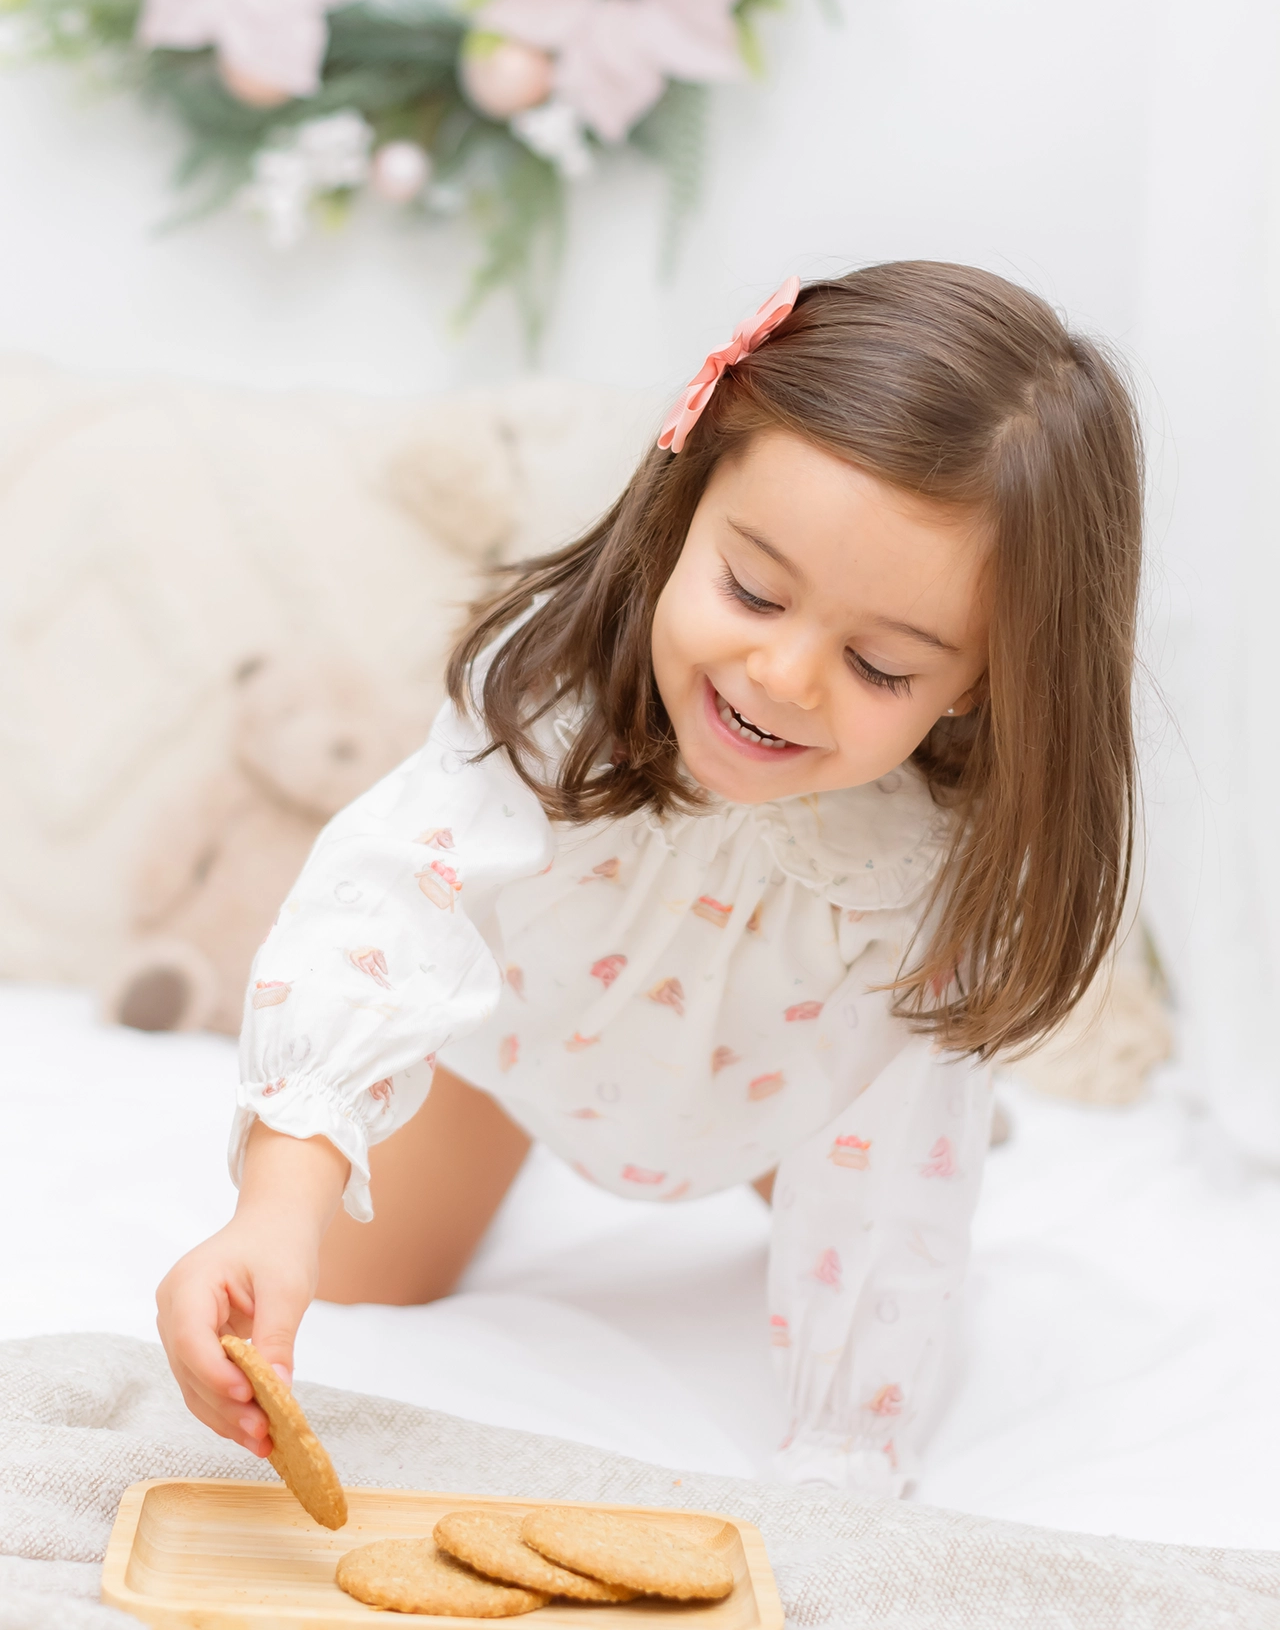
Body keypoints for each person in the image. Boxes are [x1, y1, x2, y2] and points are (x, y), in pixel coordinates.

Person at [156, 262, 1143, 1493]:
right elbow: (392, 900)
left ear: (983, 679)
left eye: (881, 665)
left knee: (885, 1170)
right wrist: (275, 1202)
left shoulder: (923, 873)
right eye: (751, 588)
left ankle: (925, 1115)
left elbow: (888, 1207)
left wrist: (843, 1447)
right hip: (526, 1040)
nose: (781, 675)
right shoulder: (551, 703)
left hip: (791, 1083)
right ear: (683, 500)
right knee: (344, 1286)